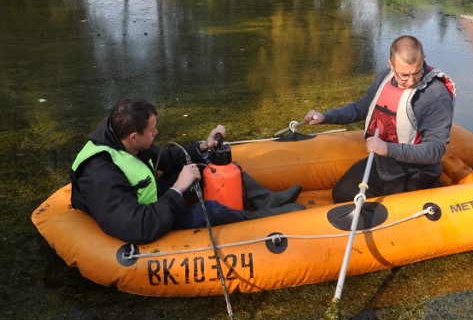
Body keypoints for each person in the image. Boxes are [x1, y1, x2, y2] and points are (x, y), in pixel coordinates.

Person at [70, 97, 304, 245]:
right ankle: (260, 220)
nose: (157, 132)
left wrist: (203, 145)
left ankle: (266, 199)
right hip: (144, 217)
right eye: (152, 130)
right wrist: (177, 190)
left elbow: (167, 158)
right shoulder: (101, 173)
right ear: (134, 136)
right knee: (209, 211)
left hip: (148, 202)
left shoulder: (125, 140)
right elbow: (138, 227)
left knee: (204, 167)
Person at [304, 35, 456, 203]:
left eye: (417, 73)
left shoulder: (435, 95)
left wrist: (387, 148)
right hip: (384, 164)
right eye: (404, 75)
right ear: (390, 65)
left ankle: (431, 190)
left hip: (414, 172)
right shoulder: (385, 77)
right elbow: (361, 108)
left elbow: (435, 150)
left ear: (424, 60)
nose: (411, 81)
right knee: (342, 194)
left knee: (383, 212)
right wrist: (326, 116)